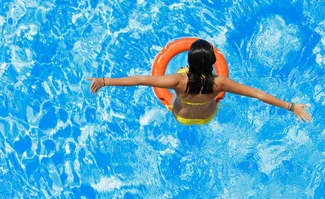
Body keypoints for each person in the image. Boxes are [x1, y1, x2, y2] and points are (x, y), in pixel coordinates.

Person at [87, 38, 312, 126]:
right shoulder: (220, 83)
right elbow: (257, 94)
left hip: (181, 116)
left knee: (175, 102)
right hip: (207, 116)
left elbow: (139, 80)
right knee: (214, 103)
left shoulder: (177, 80)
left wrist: (105, 81)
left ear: (189, 61)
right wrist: (291, 107)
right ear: (213, 62)